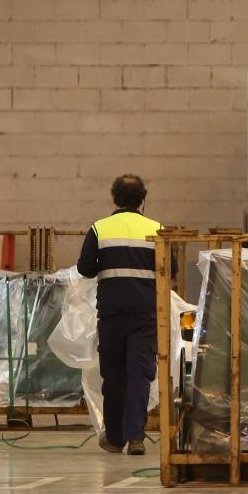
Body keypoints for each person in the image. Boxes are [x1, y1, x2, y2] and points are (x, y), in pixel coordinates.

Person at [77, 174, 163, 456]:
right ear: (142, 199)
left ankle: (114, 438)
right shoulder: (157, 229)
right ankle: (136, 437)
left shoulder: (100, 229)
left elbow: (85, 269)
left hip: (112, 315)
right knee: (140, 375)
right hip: (146, 314)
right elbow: (169, 270)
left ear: (114, 198)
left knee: (113, 377)